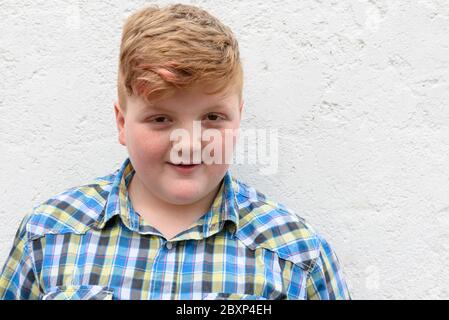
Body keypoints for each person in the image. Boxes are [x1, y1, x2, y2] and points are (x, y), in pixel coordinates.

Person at [0, 3, 350, 300]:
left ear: (238, 119)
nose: (188, 143)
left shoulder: (295, 256)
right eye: (161, 118)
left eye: (212, 117)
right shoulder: (47, 236)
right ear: (122, 124)